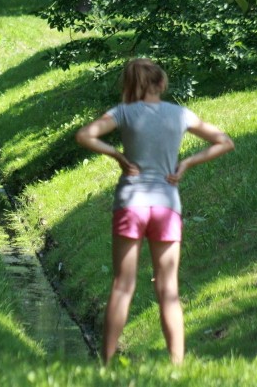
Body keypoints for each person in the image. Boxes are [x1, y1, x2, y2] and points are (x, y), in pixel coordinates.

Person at [75, 58, 234, 365]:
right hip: (166, 205)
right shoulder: (180, 114)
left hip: (130, 202)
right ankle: (177, 364)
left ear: (130, 85)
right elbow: (224, 142)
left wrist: (118, 156)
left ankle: (106, 363)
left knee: (123, 285)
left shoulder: (122, 112)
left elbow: (85, 135)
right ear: (161, 83)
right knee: (168, 288)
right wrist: (186, 163)